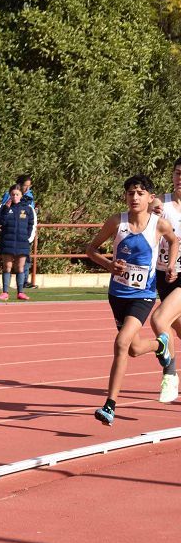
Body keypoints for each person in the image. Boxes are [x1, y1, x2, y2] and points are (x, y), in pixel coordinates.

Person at [85, 175, 180, 426]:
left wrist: (170, 265)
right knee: (134, 348)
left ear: (150, 198)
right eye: (130, 193)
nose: (135, 197)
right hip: (117, 295)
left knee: (121, 342)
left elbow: (173, 241)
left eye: (140, 193)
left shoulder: (158, 224)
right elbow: (90, 249)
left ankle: (109, 405)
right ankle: (160, 346)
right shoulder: (117, 222)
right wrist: (108, 264)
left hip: (144, 295)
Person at [150, 157, 181, 402]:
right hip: (162, 275)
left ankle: (170, 374)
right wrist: (151, 208)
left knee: (160, 320)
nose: (180, 179)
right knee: (175, 328)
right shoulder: (162, 203)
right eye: (178, 173)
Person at [0, 184, 35, 301]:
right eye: (12, 194)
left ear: (21, 195)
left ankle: (20, 292)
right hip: (7, 241)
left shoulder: (28, 208)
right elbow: (0, 222)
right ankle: (5, 292)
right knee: (7, 267)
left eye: (17, 194)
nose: (14, 196)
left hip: (22, 243)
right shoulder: (4, 207)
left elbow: (31, 224)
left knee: (20, 267)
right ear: (10, 195)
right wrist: (6, 209)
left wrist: (27, 237)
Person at [0, 174, 38, 288]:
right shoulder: (9, 195)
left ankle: (23, 285)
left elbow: (31, 218)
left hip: (23, 235)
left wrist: (29, 236)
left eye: (29, 186)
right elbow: (2, 214)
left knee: (24, 261)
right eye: (25, 186)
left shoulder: (29, 197)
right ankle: (6, 289)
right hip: (10, 235)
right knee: (8, 264)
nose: (27, 189)